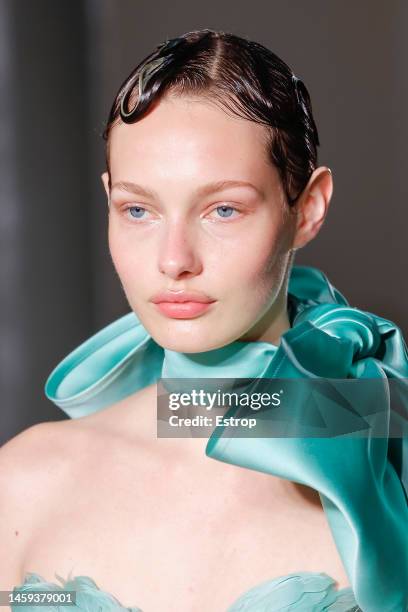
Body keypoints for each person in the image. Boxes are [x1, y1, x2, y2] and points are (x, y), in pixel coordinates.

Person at [0, 29, 407, 612]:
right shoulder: (23, 481)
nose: (174, 260)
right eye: (138, 209)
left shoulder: (388, 456)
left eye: (223, 209)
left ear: (308, 208)